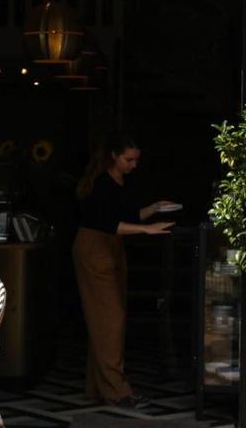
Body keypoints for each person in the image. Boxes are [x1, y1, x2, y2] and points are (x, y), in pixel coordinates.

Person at [73, 131, 177, 409]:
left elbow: (128, 216)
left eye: (136, 160)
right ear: (114, 156)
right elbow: (109, 224)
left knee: (106, 319)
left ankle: (98, 387)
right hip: (96, 248)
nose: (134, 165)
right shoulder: (101, 184)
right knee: (110, 319)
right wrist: (147, 230)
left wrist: (155, 208)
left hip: (112, 248)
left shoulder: (120, 182)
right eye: (129, 160)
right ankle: (117, 390)